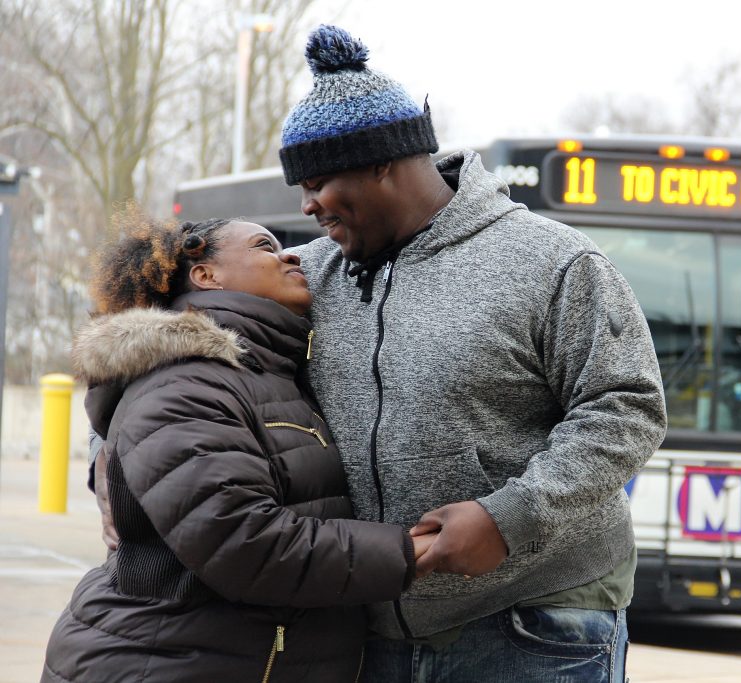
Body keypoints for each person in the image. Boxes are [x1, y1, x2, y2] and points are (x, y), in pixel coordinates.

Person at [275, 25, 668, 681]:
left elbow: (627, 407)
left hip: (535, 625)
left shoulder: (550, 262)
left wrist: (507, 517)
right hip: (370, 632)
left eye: (317, 182)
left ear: (382, 161)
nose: (308, 205)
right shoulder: (309, 278)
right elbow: (205, 355)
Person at [44, 214, 432, 682]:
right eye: (264, 246)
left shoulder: (267, 371)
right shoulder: (187, 382)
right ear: (206, 276)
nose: (291, 255)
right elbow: (239, 539)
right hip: (164, 661)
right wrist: (421, 552)